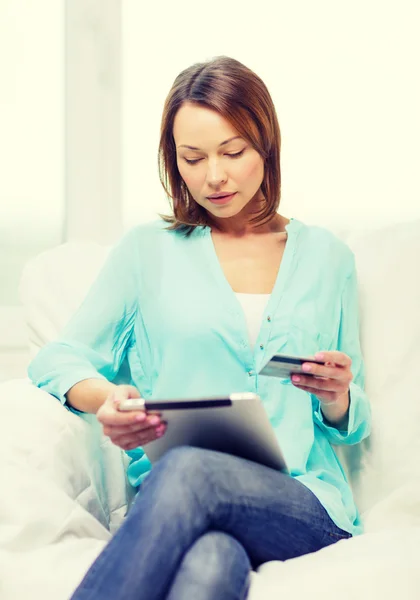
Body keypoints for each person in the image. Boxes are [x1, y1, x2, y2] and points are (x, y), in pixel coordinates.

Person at [28, 55, 371, 600]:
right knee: (209, 565)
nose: (214, 175)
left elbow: (352, 421)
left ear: (266, 145)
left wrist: (337, 396)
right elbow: (57, 358)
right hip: (180, 504)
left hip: (300, 503)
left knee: (192, 470)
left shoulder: (328, 258)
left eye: (232, 152)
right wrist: (107, 398)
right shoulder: (147, 253)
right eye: (192, 158)